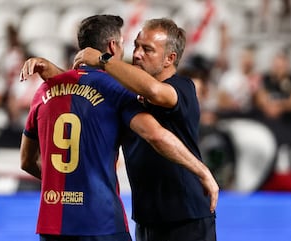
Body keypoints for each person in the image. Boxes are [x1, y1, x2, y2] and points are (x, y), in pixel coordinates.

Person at [20, 15, 219, 241]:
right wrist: (62, 76)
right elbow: (93, 86)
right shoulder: (122, 92)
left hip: (186, 213)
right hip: (145, 218)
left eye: (148, 49)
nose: (136, 54)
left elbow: (153, 98)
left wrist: (204, 172)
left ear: (169, 58)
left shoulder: (181, 87)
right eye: (135, 45)